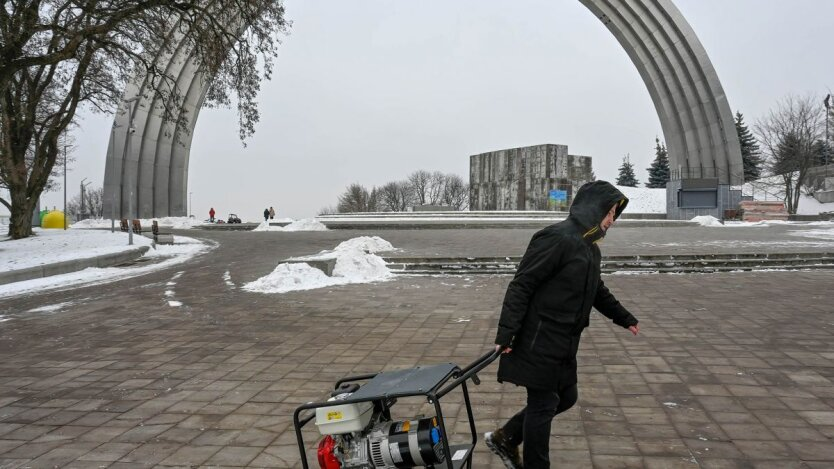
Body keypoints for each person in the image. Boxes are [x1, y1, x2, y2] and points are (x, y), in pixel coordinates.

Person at [486, 180, 640, 469]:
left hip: (565, 341)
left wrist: (624, 317)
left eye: (614, 215)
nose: (612, 221)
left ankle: (506, 436)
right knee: (543, 405)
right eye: (610, 213)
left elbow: (596, 289)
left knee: (567, 397)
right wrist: (507, 333)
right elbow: (522, 285)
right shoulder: (556, 238)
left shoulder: (590, 248)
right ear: (594, 209)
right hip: (538, 337)